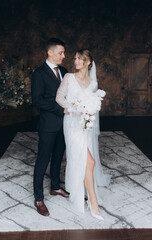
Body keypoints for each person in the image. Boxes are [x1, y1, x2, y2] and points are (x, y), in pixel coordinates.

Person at [56, 49, 111, 220]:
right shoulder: (69, 78)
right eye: (75, 59)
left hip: (84, 126)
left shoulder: (93, 83)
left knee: (85, 161)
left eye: (80, 59)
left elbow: (94, 104)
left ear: (88, 62)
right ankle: (93, 202)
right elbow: (59, 97)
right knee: (90, 161)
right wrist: (73, 107)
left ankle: (86, 196)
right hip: (72, 124)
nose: (76, 61)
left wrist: (89, 112)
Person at [31, 38, 69, 217]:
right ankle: (38, 198)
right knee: (42, 160)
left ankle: (55, 187)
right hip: (48, 125)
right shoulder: (39, 74)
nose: (64, 56)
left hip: (64, 125)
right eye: (61, 52)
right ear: (50, 53)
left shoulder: (64, 71)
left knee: (58, 158)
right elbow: (37, 100)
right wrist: (61, 109)